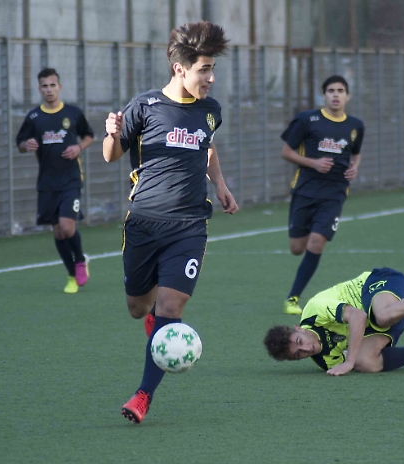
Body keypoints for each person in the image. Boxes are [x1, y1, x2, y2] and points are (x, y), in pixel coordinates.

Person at [102, 21, 239, 424]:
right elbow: (111, 154)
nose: (211, 78)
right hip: (144, 223)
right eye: (203, 70)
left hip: (190, 226)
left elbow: (207, 146)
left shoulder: (210, 111)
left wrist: (220, 184)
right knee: (137, 307)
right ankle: (154, 321)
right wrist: (111, 134)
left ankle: (143, 395)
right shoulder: (144, 107)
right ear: (180, 69)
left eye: (212, 69)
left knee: (170, 306)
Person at [264, 267, 404, 375]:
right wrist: (354, 361)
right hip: (384, 325)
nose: (307, 349)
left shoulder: (313, 311)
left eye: (300, 342)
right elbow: (360, 355)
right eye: (299, 354)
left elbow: (358, 317)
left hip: (381, 283)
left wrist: (349, 362)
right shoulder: (324, 361)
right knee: (365, 363)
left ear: (298, 328)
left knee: (381, 315)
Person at [280, 75, 364, 316]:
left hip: (334, 193)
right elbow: (286, 152)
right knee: (297, 248)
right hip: (305, 190)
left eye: (340, 91)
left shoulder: (355, 126)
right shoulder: (307, 120)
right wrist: (313, 163)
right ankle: (307, 232)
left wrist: (355, 167)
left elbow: (355, 153)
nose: (336, 95)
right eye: (331, 91)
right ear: (324, 95)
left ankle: (292, 298)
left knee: (317, 242)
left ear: (347, 96)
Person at [15, 68, 94, 293]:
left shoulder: (73, 113)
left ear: (59, 87)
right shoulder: (34, 117)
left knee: (67, 227)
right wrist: (26, 145)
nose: (49, 90)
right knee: (58, 231)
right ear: (39, 89)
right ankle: (71, 276)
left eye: (52, 85)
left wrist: (78, 147)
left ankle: (80, 261)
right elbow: (20, 143)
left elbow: (89, 135)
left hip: (71, 180)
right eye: (45, 86)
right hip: (47, 183)